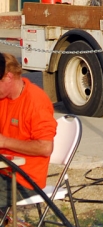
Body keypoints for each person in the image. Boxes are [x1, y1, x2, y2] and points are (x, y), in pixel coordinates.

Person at [0, 53, 57, 211]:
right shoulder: (3, 98)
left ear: (8, 77)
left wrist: (4, 142)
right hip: (4, 172)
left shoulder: (36, 102)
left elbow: (45, 148)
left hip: (25, 181)